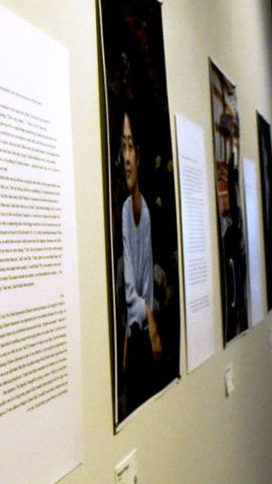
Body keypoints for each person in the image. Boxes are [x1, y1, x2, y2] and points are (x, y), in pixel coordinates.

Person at [120, 109, 162, 411]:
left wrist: (150, 321)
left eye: (130, 146)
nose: (126, 157)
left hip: (145, 339)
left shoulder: (143, 211)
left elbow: (141, 286)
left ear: (140, 155)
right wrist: (147, 317)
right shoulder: (127, 211)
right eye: (122, 146)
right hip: (140, 338)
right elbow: (131, 289)